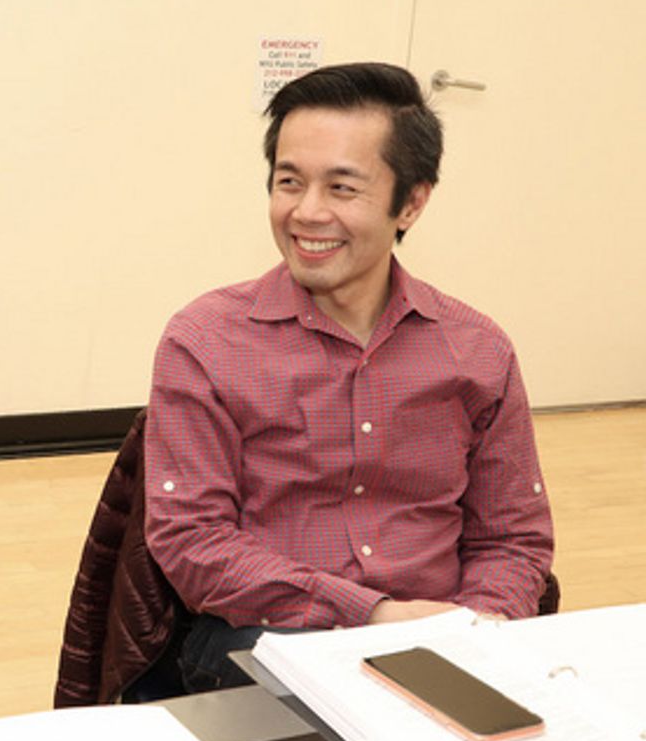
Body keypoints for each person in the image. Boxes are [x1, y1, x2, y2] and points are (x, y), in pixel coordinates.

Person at [143, 62, 553, 692]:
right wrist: (376, 616)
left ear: (411, 202)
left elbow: (514, 539)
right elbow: (192, 542)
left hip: (445, 638)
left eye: (342, 189)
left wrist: (476, 625)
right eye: (289, 182)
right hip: (264, 638)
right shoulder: (206, 341)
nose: (306, 213)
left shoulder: (476, 350)